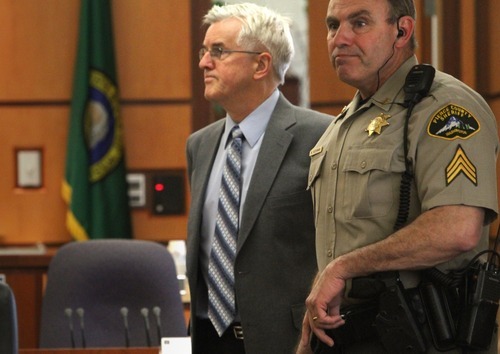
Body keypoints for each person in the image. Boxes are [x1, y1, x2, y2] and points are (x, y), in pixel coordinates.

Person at [297, 0, 499, 353]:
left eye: (358, 23)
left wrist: (344, 268)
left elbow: (457, 228)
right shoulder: (344, 124)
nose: (339, 38)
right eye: (332, 25)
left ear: (402, 31)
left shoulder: (444, 109)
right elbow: (343, 240)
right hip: (346, 334)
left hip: (423, 335)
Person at [185, 3, 332, 354]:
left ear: (261, 64)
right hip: (207, 338)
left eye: (218, 51)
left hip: (288, 341)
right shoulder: (199, 145)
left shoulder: (323, 136)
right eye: (204, 51)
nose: (204, 62)